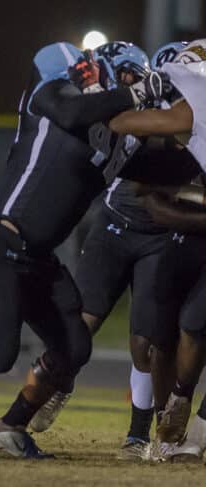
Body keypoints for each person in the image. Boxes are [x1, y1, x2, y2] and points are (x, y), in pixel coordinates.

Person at [0, 41, 170, 458]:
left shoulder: (118, 140)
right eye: (129, 78)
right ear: (103, 72)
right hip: (0, 238)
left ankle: (11, 425)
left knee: (74, 348)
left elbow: (165, 170)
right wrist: (135, 92)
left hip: (39, 257)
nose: (137, 89)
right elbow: (75, 112)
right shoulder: (52, 97)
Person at [26, 41, 188, 461]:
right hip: (115, 226)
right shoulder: (116, 107)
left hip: (162, 235)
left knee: (147, 342)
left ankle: (138, 436)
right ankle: (57, 385)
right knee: (80, 325)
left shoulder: (181, 110)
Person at [110, 39, 206, 460]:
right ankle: (170, 425)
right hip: (185, 240)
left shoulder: (189, 109)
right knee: (162, 335)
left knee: (194, 323)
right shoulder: (182, 128)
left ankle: (185, 411)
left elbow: (123, 122)